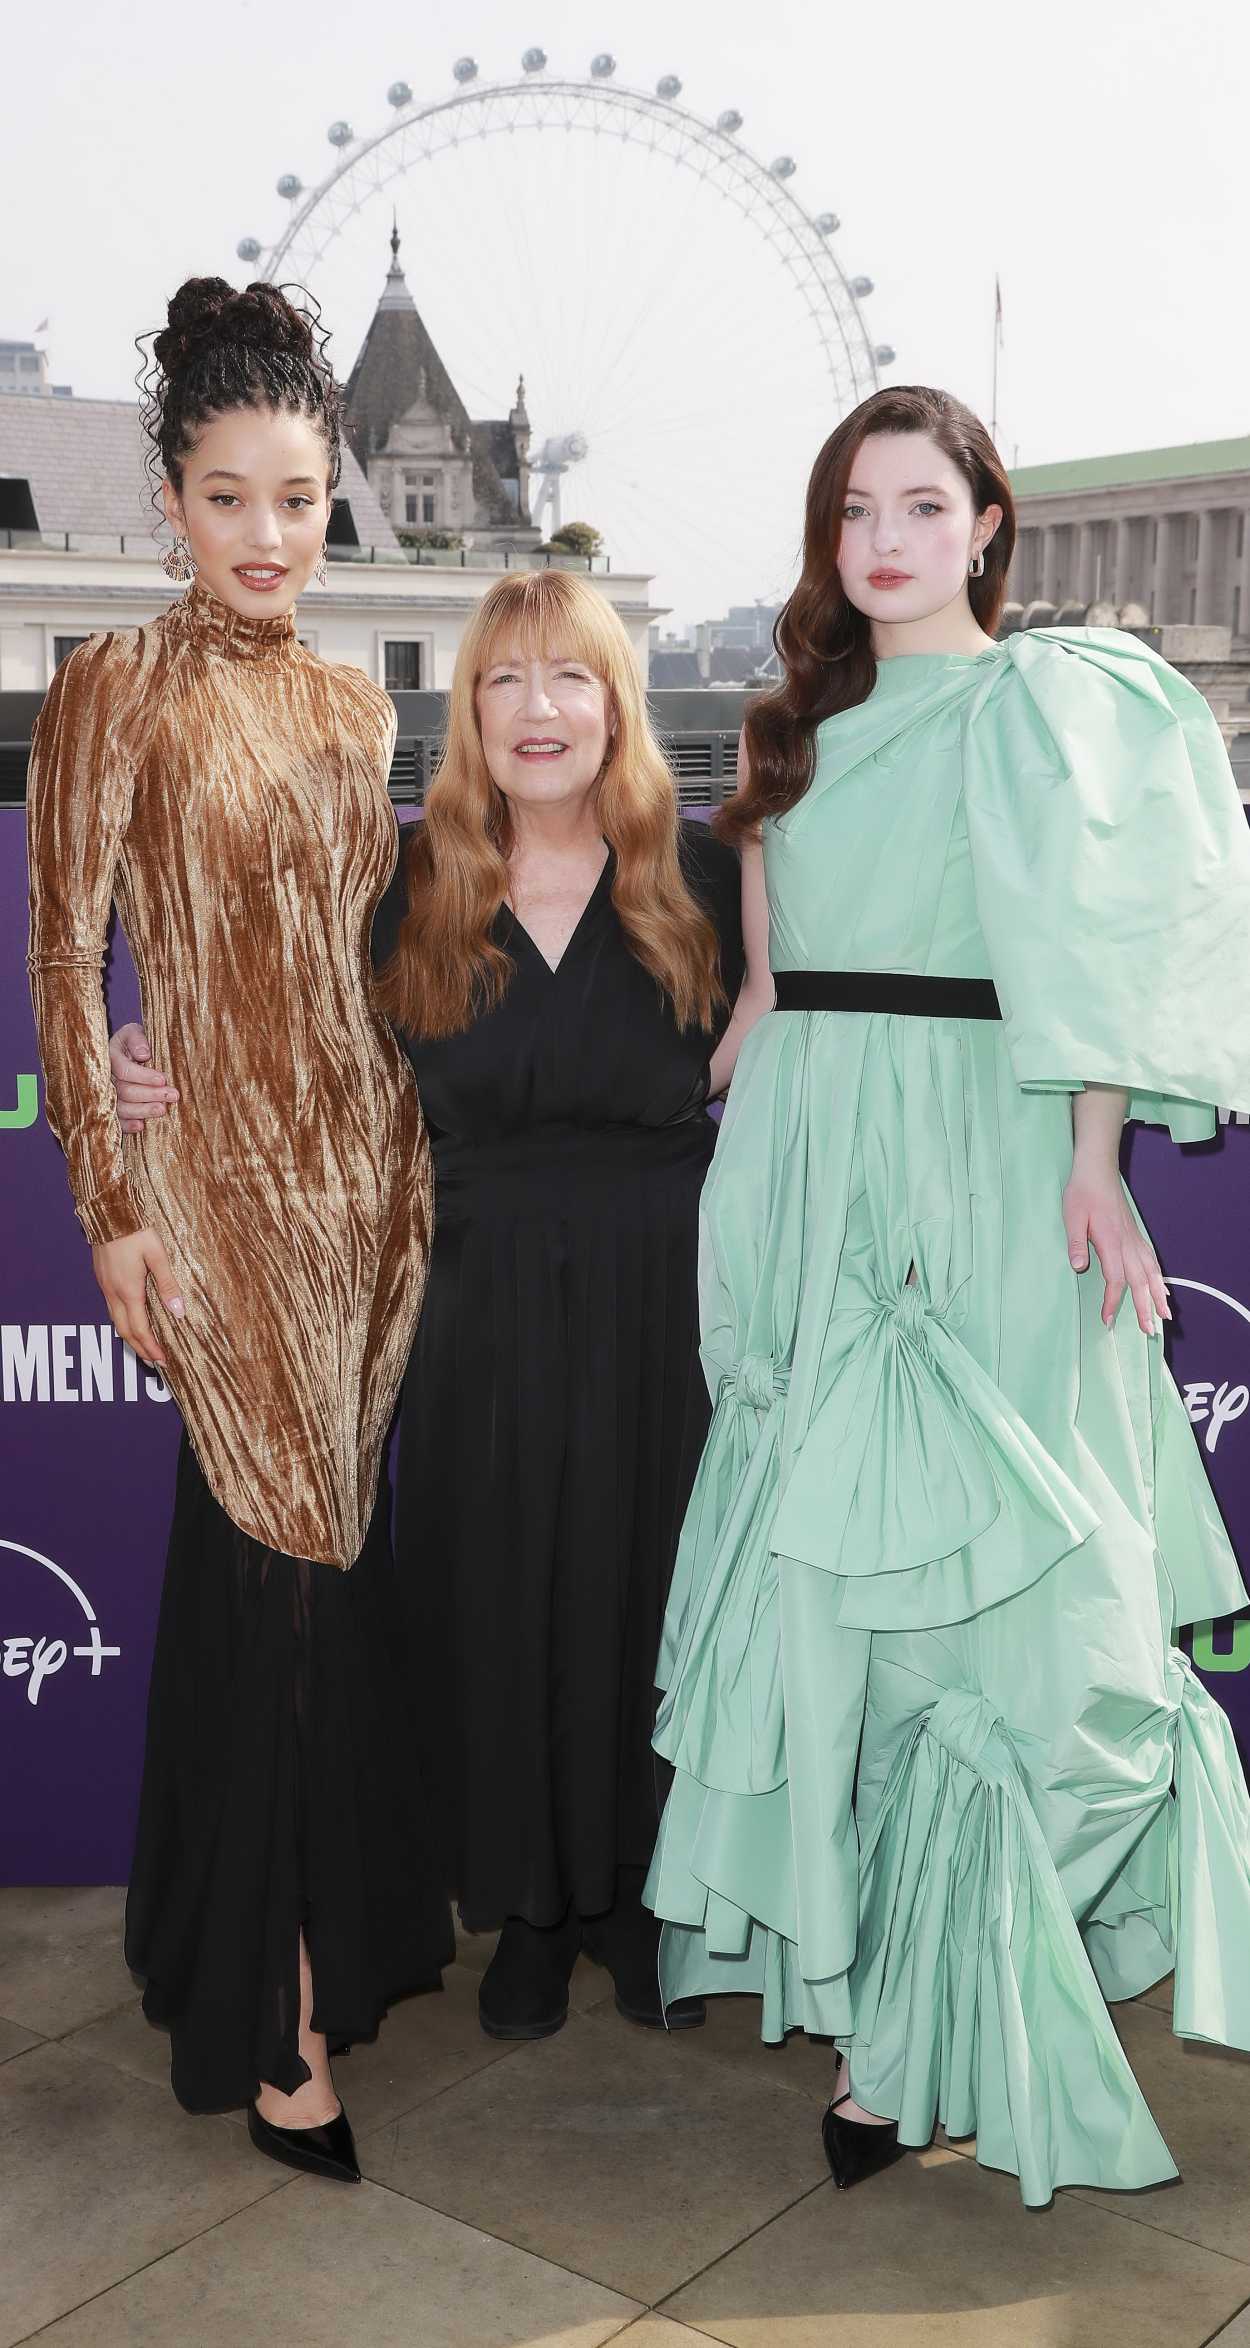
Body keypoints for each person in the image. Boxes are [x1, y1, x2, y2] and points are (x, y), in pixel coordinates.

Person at [643, 384, 1250, 2206]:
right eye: (854, 509)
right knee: (841, 1601)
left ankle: (948, 1997)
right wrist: (704, 1141)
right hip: (808, 1172)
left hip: (985, 1162)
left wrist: (1093, 1158)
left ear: (987, 524)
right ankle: (880, 2024)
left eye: (920, 504)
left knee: (1036, 1622)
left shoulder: (1049, 703)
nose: (884, 540)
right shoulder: (790, 732)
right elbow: (768, 992)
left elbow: (1098, 952)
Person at [112, 567, 756, 2044]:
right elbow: (281, 1034)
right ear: (467, 712)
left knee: (654, 1585)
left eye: (570, 676)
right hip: (469, 1297)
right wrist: (151, 1051)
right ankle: (526, 1910)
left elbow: (809, 1029)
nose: (539, 710)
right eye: (503, 680)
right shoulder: (405, 885)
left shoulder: (707, 875)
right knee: (495, 1593)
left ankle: (637, 1897)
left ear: (617, 704)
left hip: (667, 1294)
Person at [27, 277, 452, 2184]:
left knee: (319, 1589)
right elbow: (66, 956)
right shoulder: (114, 683)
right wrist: (109, 1201)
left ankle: (288, 1943)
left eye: (297, 497)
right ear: (172, 503)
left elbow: (369, 959)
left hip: (372, 1186)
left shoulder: (358, 702)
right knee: (273, 1578)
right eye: (227, 498)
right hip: (211, 1191)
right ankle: (275, 2017)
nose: (267, 535)